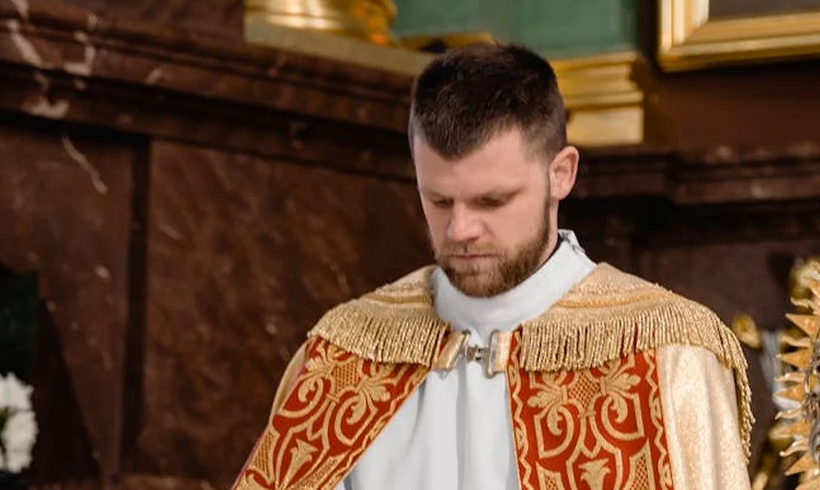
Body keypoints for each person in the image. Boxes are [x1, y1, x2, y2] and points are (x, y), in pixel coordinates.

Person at [233, 42, 753, 490]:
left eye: (491, 202)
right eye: (439, 201)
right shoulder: (343, 356)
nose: (460, 231)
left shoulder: (665, 352)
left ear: (561, 174)